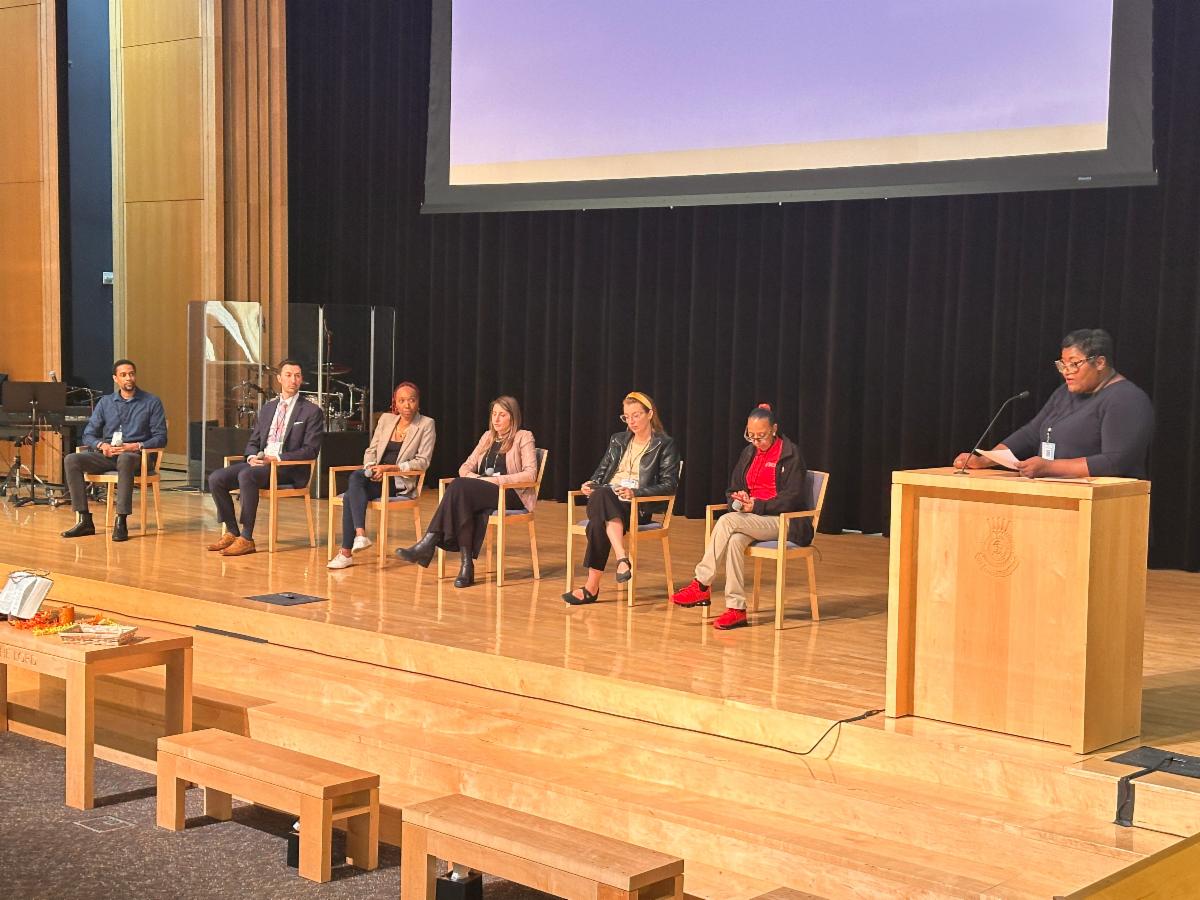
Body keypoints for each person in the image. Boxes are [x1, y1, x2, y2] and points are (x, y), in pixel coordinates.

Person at [671, 403, 811, 630]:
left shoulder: (790, 454)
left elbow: (793, 498)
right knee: (735, 540)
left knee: (727, 520)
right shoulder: (748, 453)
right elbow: (732, 489)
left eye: (761, 436)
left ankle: (701, 583)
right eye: (751, 436)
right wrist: (739, 499)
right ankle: (736, 609)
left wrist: (757, 505)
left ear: (774, 429)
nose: (756, 441)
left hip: (784, 520)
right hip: (753, 518)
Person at [953, 328, 1154, 479]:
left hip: (1104, 506)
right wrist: (985, 460)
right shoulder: (1064, 393)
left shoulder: (1126, 399)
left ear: (1100, 362)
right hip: (1056, 496)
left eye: (1074, 364)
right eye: (1062, 364)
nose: (1066, 371)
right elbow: (1031, 433)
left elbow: (1115, 462)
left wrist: (1050, 467)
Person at [395, 396, 536, 588]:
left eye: (502, 415)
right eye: (494, 414)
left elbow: (530, 474)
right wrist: (477, 478)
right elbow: (465, 467)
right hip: (481, 492)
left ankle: (429, 543)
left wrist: (493, 481)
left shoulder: (523, 436)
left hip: (511, 494)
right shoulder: (487, 437)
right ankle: (465, 567)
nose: (496, 419)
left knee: (460, 487)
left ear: (513, 417)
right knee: (462, 499)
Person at [562, 391, 680, 605]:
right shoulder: (618, 440)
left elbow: (669, 485)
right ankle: (621, 559)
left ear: (650, 414)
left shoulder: (664, 444)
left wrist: (636, 493)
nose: (631, 421)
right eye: (627, 416)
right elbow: (600, 473)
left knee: (598, 519)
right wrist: (589, 484)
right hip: (608, 497)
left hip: (636, 506)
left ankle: (591, 587)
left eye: (636, 415)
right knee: (602, 495)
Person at [207, 359, 324, 556]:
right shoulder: (269, 408)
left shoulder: (312, 411)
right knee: (216, 478)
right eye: (288, 375)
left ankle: (247, 537)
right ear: (279, 379)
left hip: (287, 468)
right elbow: (254, 441)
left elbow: (310, 450)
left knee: (247, 476)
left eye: (297, 376)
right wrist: (252, 456)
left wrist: (277, 457)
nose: (293, 380)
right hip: (261, 464)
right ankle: (233, 531)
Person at [327, 382, 436, 569]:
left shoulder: (426, 424)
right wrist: (372, 468)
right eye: (402, 401)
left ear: (418, 402)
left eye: (411, 400)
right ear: (395, 403)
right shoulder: (386, 420)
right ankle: (359, 536)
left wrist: (390, 469)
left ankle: (347, 551)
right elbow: (371, 450)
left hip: (398, 481)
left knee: (351, 492)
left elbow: (423, 461)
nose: (407, 405)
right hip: (375, 475)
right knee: (356, 479)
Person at [61, 359, 167, 542]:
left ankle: (121, 520)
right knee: (72, 459)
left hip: (137, 457)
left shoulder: (151, 402)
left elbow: (161, 437)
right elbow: (88, 434)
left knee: (125, 458)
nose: (128, 378)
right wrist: (102, 446)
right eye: (123, 375)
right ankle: (84, 520)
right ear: (115, 378)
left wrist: (135, 446)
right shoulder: (106, 402)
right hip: (109, 456)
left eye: (131, 374)